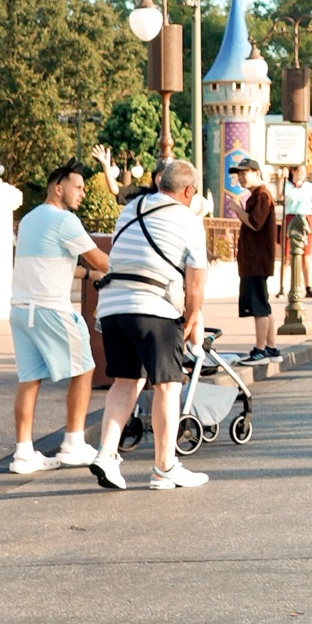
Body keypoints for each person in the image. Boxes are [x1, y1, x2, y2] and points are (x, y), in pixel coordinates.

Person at [90, 157, 210, 492]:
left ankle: (106, 454)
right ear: (188, 191)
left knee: (126, 382)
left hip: (112, 307)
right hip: (154, 307)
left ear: (160, 184)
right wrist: (189, 318)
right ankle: (164, 467)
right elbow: (196, 283)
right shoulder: (187, 220)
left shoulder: (130, 209)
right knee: (168, 386)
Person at [7, 158, 110, 475]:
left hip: (22, 311)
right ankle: (73, 444)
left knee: (29, 379)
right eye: (77, 187)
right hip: (52, 309)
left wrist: (86, 273)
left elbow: (49, 263)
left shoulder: (29, 220)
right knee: (85, 368)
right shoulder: (65, 221)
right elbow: (103, 261)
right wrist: (136, 266)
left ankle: (23, 453)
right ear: (58, 187)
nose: (81, 193)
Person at [234, 162, 279, 361]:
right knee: (264, 305)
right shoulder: (258, 195)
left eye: (246, 173)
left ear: (257, 173)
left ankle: (260, 349)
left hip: (256, 262)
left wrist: (237, 209)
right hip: (256, 261)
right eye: (239, 174)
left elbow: (254, 223)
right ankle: (271, 347)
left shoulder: (261, 195)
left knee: (258, 307)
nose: (241, 177)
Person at [282, 166, 312, 297]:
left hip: (305, 218)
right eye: (299, 172)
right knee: (287, 256)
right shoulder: (288, 186)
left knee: (306, 256)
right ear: (293, 172)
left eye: (303, 172)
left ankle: (308, 287)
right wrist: (282, 178)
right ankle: (283, 286)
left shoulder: (311, 188)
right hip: (290, 218)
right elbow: (280, 195)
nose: (301, 175)